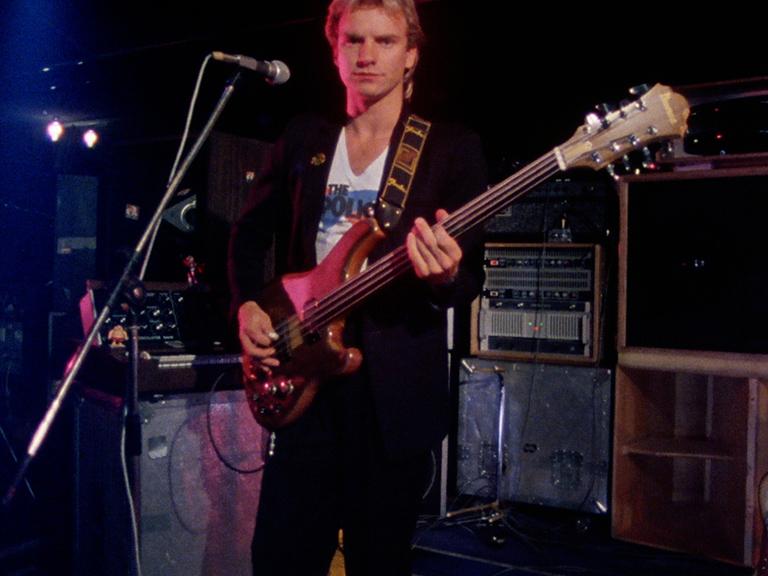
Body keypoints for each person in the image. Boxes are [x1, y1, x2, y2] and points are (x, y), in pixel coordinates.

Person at [228, 0, 487, 574]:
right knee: (280, 557)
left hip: (390, 398)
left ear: (412, 54)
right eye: (353, 40)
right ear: (335, 49)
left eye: (385, 41)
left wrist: (445, 277)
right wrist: (247, 305)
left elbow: (471, 277)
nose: (367, 54)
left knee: (378, 562)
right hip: (302, 377)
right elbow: (248, 236)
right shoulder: (305, 137)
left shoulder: (450, 148)